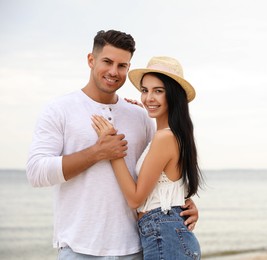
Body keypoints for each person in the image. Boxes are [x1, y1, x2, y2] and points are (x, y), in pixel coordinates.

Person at [26, 30, 199, 259]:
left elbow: (162, 170)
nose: (113, 72)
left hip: (135, 246)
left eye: (122, 65)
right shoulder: (60, 109)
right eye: (107, 62)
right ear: (91, 60)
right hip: (79, 248)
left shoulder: (140, 116)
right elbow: (36, 172)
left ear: (128, 68)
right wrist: (96, 153)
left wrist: (183, 204)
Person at [91, 56, 202, 259]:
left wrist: (112, 149)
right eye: (145, 90)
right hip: (168, 234)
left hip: (165, 235)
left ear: (174, 95)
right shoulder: (173, 134)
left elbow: (135, 199)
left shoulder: (165, 138)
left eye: (158, 91)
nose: (148, 98)